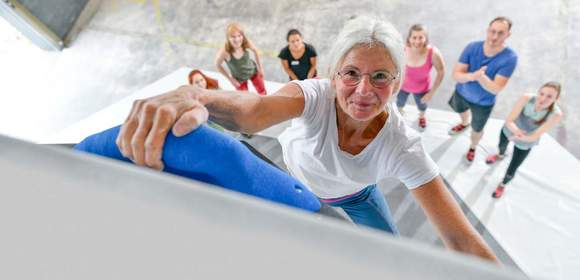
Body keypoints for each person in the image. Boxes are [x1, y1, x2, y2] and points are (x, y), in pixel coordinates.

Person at [116, 16, 498, 262]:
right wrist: (199, 96)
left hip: (357, 196)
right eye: (352, 74)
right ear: (333, 76)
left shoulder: (402, 145)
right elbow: (254, 110)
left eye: (380, 76)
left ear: (396, 82)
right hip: (298, 181)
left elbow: (461, 241)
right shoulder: (314, 96)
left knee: (390, 253)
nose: (364, 90)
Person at [448, 17, 518, 162]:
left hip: (483, 103)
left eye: (500, 33)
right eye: (492, 31)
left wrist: (480, 77)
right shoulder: (472, 47)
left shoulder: (510, 57)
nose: (494, 36)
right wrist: (473, 75)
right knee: (462, 112)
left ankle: (473, 147)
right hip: (461, 93)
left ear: (508, 35)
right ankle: (464, 123)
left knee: (477, 129)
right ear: (487, 30)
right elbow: (456, 75)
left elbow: (495, 89)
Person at [485, 82, 563, 198]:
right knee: (501, 145)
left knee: (514, 165)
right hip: (512, 129)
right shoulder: (526, 98)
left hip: (527, 139)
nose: (543, 98)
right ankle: (500, 155)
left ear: (557, 99)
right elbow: (509, 120)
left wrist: (520, 137)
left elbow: (536, 135)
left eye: (549, 96)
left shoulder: (556, 114)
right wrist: (516, 131)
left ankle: (503, 184)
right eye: (542, 94)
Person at [396, 24, 445, 129]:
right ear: (409, 38)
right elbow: (394, 66)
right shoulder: (402, 50)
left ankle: (422, 116)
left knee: (422, 106)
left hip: (422, 89)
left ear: (426, 38)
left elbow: (441, 71)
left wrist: (431, 93)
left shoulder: (433, 53)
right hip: (403, 86)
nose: (417, 41)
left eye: (420, 37)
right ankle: (399, 113)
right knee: (400, 103)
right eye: (414, 37)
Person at [215, 22, 266, 95]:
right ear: (228, 38)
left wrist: (260, 68)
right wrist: (231, 79)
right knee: (245, 99)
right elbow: (217, 65)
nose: (237, 39)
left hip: (252, 71)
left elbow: (255, 51)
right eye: (233, 37)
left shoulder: (245, 42)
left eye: (239, 35)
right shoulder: (225, 51)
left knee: (263, 92)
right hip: (239, 79)